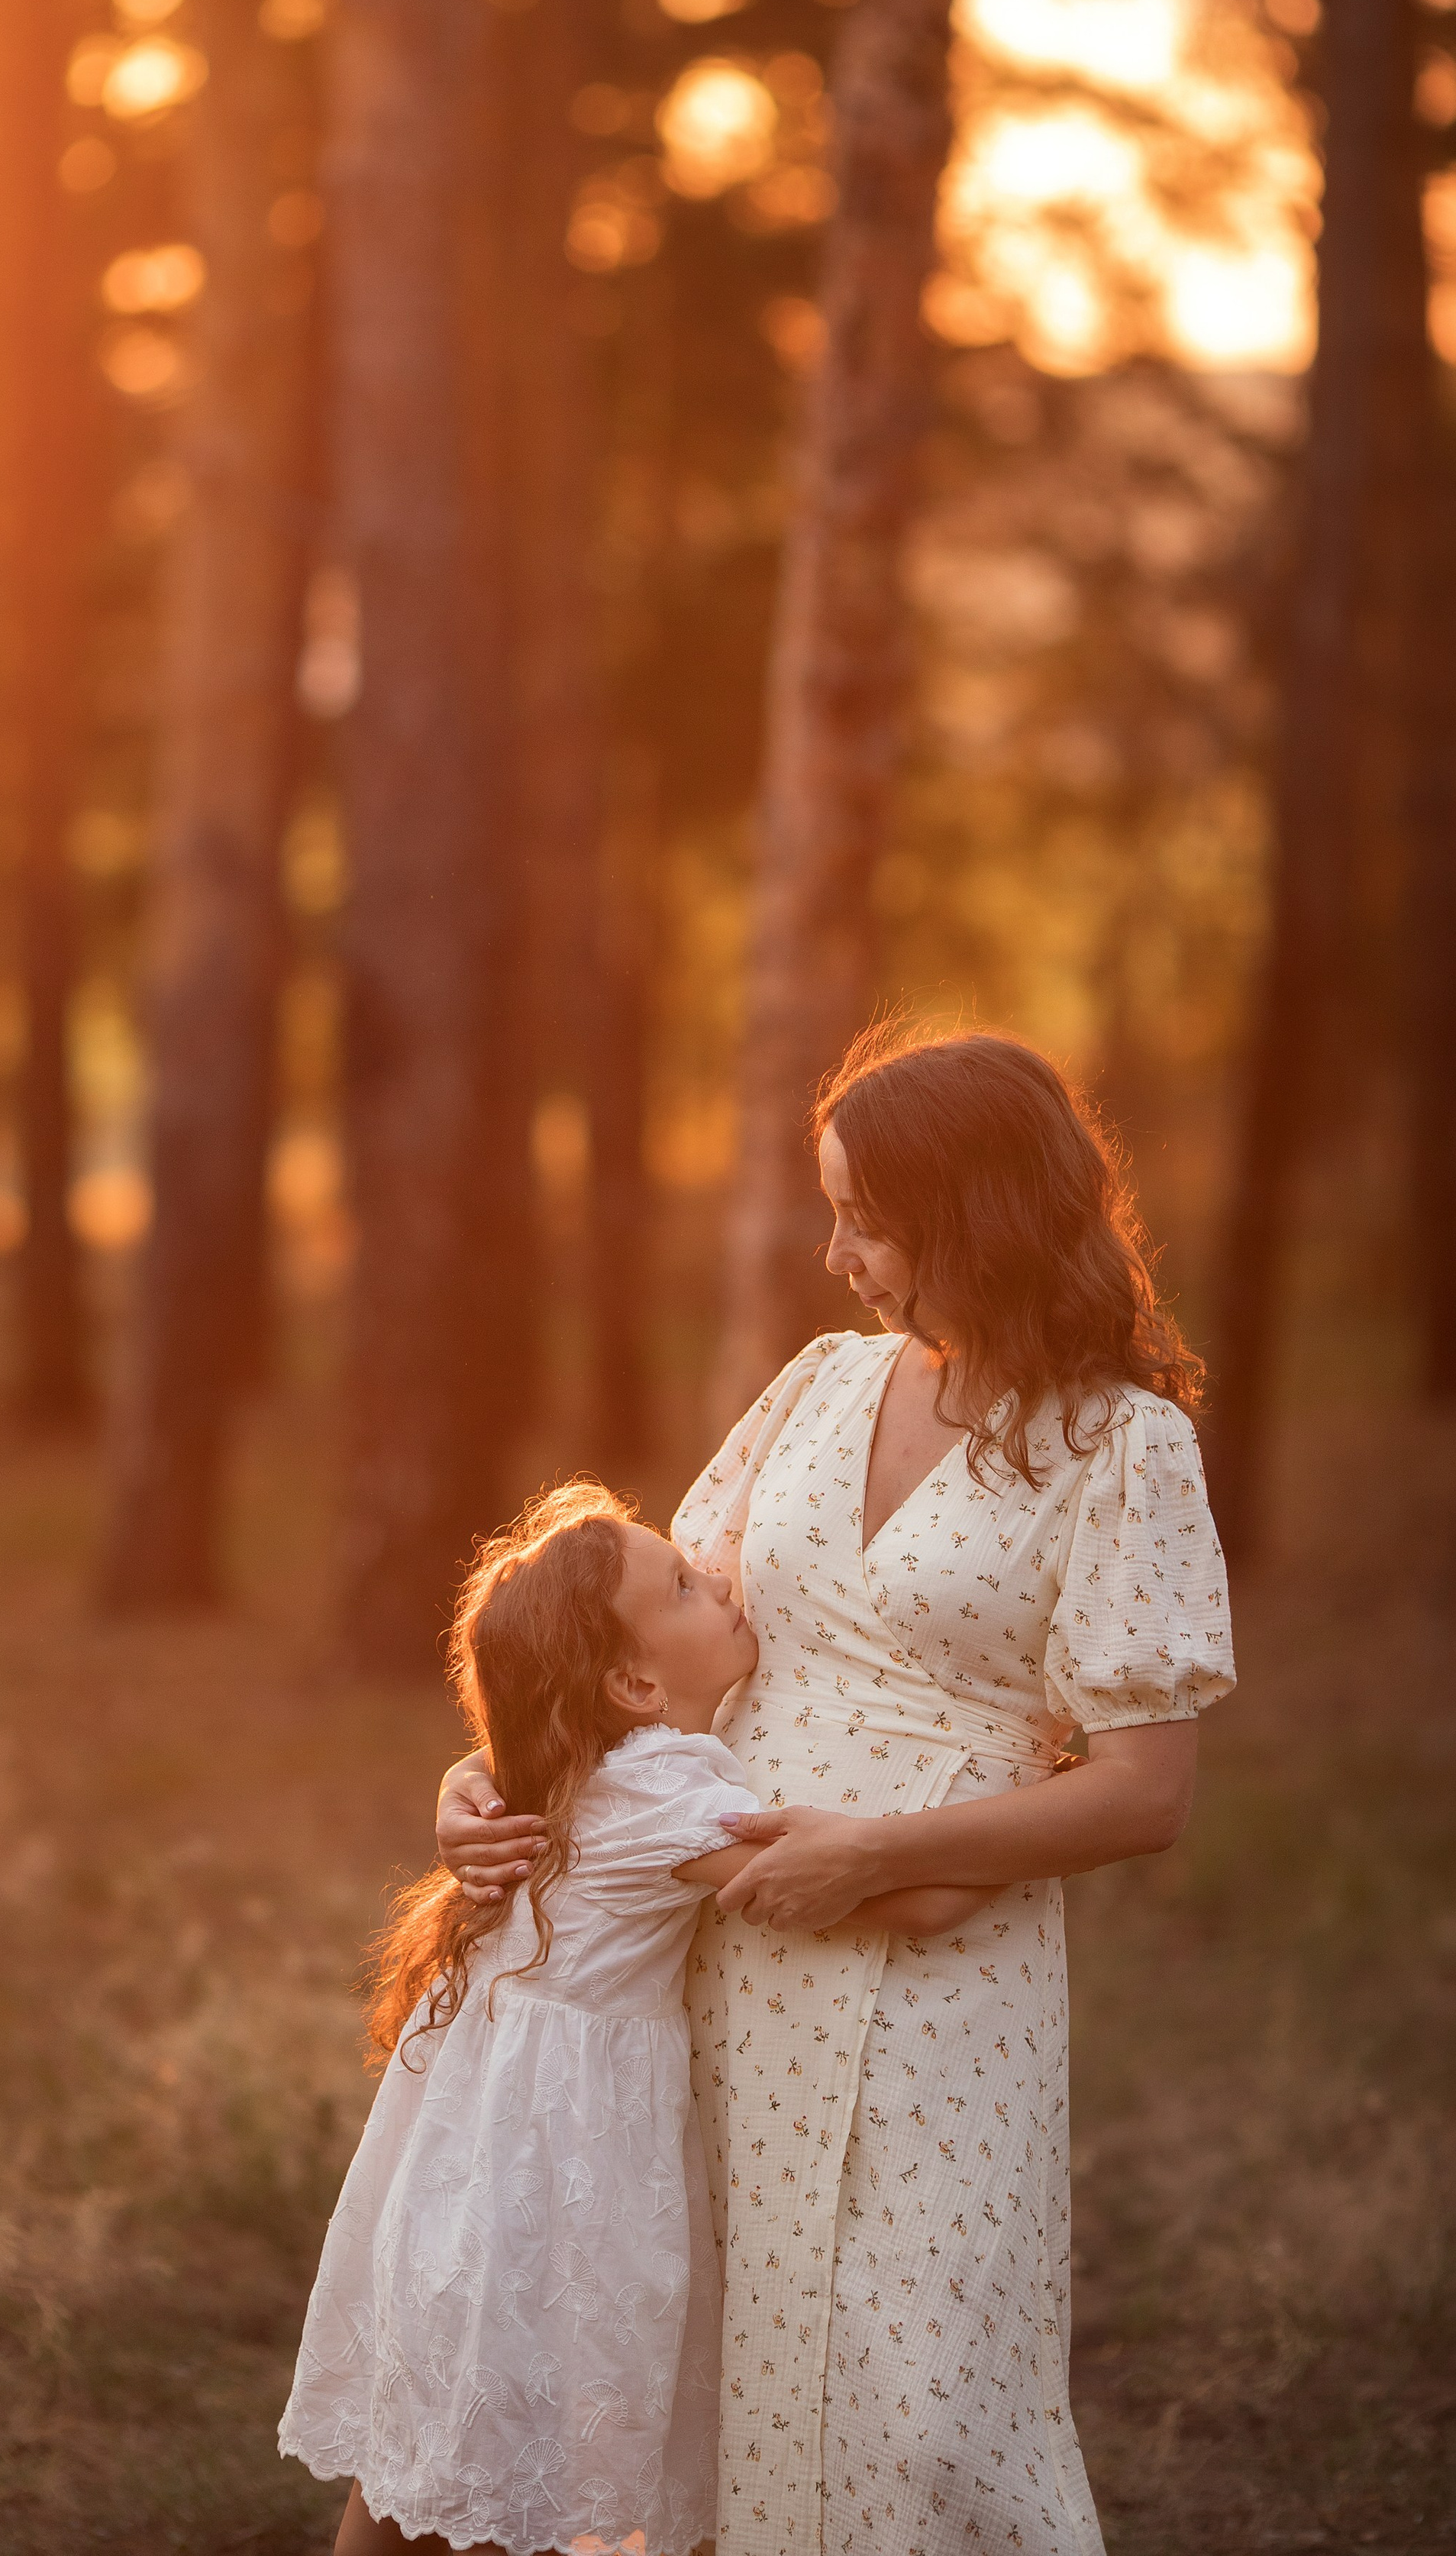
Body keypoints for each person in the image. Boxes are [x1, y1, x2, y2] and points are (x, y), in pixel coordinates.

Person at [440, 1028, 1235, 2556]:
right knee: (719, 2362)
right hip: (719, 1961)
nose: (835, 1254)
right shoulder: (818, 1387)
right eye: (830, 1211)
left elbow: (1144, 1793)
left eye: (866, 1219)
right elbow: (630, 1642)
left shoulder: (1116, 1448)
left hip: (939, 1984)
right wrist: (473, 1784)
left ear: (978, 1215)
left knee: (918, 2395)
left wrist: (871, 1855)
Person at [279, 1478, 986, 2556]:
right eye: (688, 1587)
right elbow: (918, 1902)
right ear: (639, 1683)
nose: (722, 1579)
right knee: (521, 2467)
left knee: (425, 2458)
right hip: (561, 2168)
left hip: (472, 2160)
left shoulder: (570, 1767)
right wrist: (1031, 1783)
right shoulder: (665, 1795)